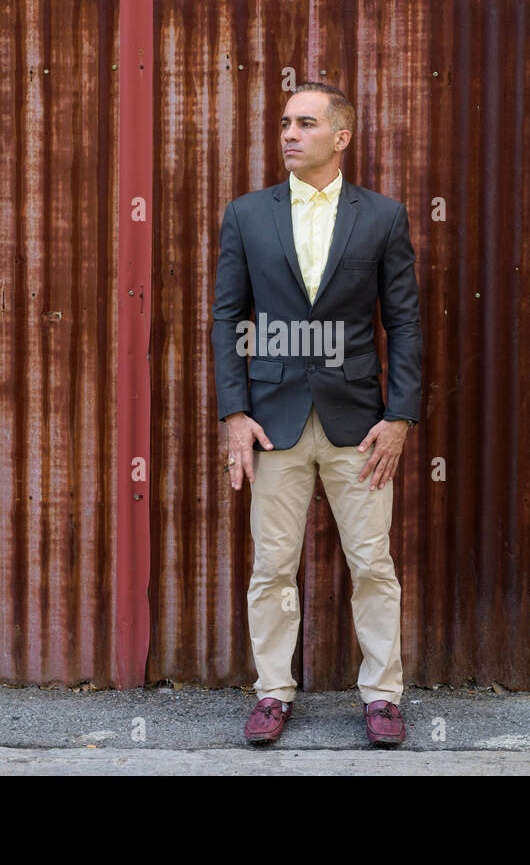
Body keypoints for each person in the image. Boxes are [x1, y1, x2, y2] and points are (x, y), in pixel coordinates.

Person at [210, 82, 423, 747]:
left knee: (372, 561)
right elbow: (226, 318)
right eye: (284, 123)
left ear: (342, 137)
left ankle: (383, 694)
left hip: (358, 421)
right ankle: (272, 690)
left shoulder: (382, 217)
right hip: (272, 420)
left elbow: (405, 322)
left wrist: (401, 416)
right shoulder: (247, 214)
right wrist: (234, 411)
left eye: (305, 123)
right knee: (272, 563)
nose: (290, 134)